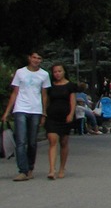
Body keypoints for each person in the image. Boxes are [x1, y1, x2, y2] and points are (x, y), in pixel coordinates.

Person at [4, 51, 50, 180]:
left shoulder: (44, 74)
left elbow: (44, 95)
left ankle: (30, 167)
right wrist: (8, 112)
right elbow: (15, 93)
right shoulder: (20, 72)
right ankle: (22, 170)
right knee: (21, 141)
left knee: (32, 142)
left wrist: (44, 113)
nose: (36, 60)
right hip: (21, 108)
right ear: (29, 58)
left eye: (39, 58)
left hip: (35, 110)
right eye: (34, 57)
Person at [44, 62, 75, 179]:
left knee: (63, 142)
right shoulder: (50, 86)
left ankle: (62, 168)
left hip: (65, 116)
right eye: (55, 72)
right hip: (52, 116)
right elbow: (46, 100)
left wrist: (71, 114)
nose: (57, 74)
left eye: (59, 71)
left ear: (64, 72)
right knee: (52, 140)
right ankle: (52, 170)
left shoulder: (70, 86)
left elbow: (73, 101)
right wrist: (44, 113)